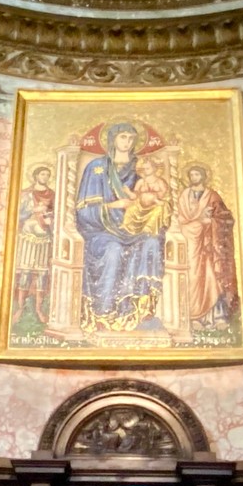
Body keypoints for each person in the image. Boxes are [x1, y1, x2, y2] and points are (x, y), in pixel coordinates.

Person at [75, 122, 166, 332]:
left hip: (133, 228)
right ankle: (104, 312)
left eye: (131, 138)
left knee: (152, 242)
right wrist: (115, 205)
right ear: (112, 139)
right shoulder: (97, 167)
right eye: (123, 137)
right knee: (114, 250)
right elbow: (83, 212)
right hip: (102, 231)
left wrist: (145, 208)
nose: (127, 142)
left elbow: (149, 199)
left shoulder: (140, 168)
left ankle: (141, 311)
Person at [175, 164, 238, 330]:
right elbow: (179, 219)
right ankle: (194, 318)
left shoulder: (213, 196)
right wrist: (198, 223)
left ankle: (217, 317)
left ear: (203, 176)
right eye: (191, 175)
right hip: (190, 243)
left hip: (209, 245)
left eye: (197, 174)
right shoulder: (184, 196)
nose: (194, 178)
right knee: (193, 277)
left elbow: (225, 219)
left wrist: (211, 222)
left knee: (212, 278)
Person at [12, 165, 55, 324]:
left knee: (42, 274)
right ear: (36, 176)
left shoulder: (52, 194)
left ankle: (39, 309)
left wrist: (50, 219)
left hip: (44, 238)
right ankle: (20, 308)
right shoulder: (27, 194)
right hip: (28, 238)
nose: (45, 177)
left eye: (47, 174)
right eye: (42, 174)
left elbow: (56, 213)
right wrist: (33, 210)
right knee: (26, 272)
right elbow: (18, 214)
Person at [121, 156, 171, 236]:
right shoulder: (141, 182)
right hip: (140, 205)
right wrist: (128, 192)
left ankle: (149, 228)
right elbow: (135, 196)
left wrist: (151, 197)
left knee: (159, 210)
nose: (145, 170)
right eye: (144, 169)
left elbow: (165, 195)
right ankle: (127, 228)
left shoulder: (160, 182)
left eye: (148, 168)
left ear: (154, 168)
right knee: (131, 209)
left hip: (155, 205)